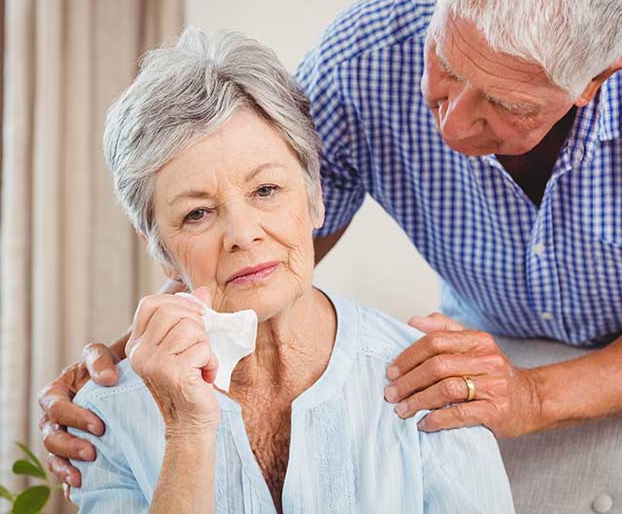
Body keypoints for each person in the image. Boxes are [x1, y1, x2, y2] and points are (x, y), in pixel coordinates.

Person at [40, 0, 622, 492]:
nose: (451, 119)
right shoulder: (363, 57)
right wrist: (133, 362)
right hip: (478, 350)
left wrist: (534, 393)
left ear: (596, 80)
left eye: (506, 105)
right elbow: (256, 231)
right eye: (445, 62)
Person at [67, 28, 514, 513]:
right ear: (160, 250)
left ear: (317, 197)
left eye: (266, 191)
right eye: (197, 213)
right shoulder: (107, 415)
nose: (243, 233)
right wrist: (187, 432)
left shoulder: (433, 382)